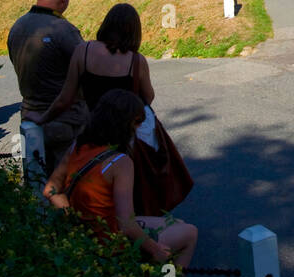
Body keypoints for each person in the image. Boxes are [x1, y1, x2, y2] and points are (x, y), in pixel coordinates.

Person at [28, 3, 193, 216]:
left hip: (95, 129)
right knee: (137, 186)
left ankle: (92, 225)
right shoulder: (136, 61)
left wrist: (42, 118)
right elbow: (148, 97)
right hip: (129, 133)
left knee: (94, 182)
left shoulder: (83, 52)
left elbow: (65, 98)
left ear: (106, 24)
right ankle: (141, 230)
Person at [43, 88, 197, 267]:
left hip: (85, 233)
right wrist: (155, 249)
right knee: (190, 233)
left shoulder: (77, 146)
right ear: (127, 125)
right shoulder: (120, 162)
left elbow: (50, 190)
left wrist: (74, 217)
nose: (138, 128)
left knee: (177, 222)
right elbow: (126, 224)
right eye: (138, 122)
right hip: (111, 242)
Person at [7, 0, 84, 187]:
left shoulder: (18, 27)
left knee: (36, 182)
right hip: (65, 120)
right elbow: (86, 71)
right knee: (68, 187)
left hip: (30, 115)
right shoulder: (64, 30)